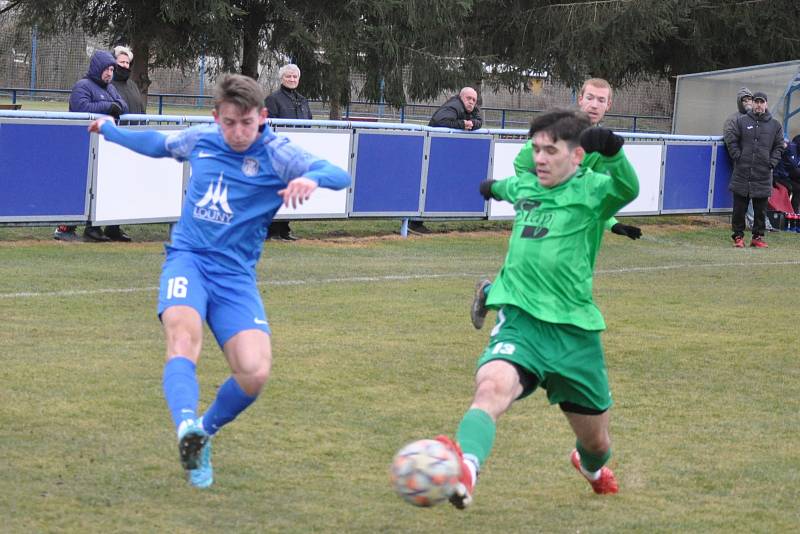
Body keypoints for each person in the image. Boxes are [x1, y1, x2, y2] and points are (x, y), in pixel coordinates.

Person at [87, 74, 350, 488]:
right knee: (183, 339)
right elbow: (157, 145)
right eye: (229, 123)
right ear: (217, 117)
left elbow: (339, 173)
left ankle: (203, 434)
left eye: (246, 122)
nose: (238, 131)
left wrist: (313, 178)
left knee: (254, 372)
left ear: (262, 117)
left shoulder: (278, 154)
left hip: (235, 276)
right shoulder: (202, 139)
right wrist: (112, 131)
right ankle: (185, 426)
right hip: (188, 260)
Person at [432, 109, 639, 509]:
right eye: (536, 149)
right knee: (491, 387)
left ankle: (591, 467)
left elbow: (627, 187)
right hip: (521, 321)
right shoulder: (527, 184)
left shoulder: (593, 190)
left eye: (551, 150)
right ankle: (466, 468)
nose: (540, 158)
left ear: (577, 156)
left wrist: (613, 151)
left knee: (597, 443)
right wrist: (492, 187)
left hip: (575, 334)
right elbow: (510, 185)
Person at [471, 78, 641, 329]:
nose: (594, 104)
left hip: (572, 213)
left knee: (557, 267)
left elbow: (596, 195)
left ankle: (490, 293)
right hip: (545, 206)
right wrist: (539, 191)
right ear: (580, 98)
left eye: (601, 100)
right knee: (538, 264)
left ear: (609, 105)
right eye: (590, 97)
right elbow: (522, 162)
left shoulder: (600, 144)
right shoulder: (557, 132)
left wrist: (612, 223)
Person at [55, 50, 128, 242]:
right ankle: (64, 228)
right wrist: (107, 107)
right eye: (107, 69)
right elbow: (82, 108)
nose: (110, 73)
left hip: (103, 146)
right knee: (79, 187)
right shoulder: (82, 86)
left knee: (99, 186)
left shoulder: (110, 88)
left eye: (112, 69)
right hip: (82, 144)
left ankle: (93, 228)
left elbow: (123, 106)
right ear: (98, 68)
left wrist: (114, 106)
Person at [97, 44, 147, 242]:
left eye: (127, 62)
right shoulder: (108, 85)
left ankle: (114, 226)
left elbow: (140, 110)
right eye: (121, 62)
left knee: (124, 184)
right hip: (113, 140)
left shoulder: (133, 85)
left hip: (132, 139)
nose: (125, 66)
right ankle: (94, 225)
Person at [724, 91, 784, 248]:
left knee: (760, 210)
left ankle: (757, 237)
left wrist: (771, 163)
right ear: (753, 104)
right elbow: (732, 140)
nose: (758, 105)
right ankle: (738, 237)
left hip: (763, 174)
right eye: (756, 102)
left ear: (766, 104)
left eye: (761, 102)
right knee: (739, 209)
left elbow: (779, 146)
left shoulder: (775, 125)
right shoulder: (742, 121)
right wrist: (738, 156)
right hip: (742, 172)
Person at [264, 64, 313, 241]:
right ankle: (272, 230)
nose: (292, 80)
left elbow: (309, 122)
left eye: (295, 77)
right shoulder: (273, 99)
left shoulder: (302, 100)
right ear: (282, 78)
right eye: (289, 76)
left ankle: (285, 228)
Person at [773, 134, 800, 213]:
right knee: (789, 188)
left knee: (798, 188)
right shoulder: (790, 147)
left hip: (786, 176)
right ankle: (782, 212)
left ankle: (794, 213)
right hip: (777, 175)